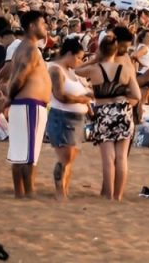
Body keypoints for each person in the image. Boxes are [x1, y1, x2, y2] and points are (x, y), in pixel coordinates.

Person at [81, 37, 141, 200]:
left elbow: (75, 70)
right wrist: (121, 95)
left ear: (100, 50)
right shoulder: (126, 70)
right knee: (121, 157)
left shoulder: (94, 69)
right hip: (123, 111)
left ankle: (108, 195)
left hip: (103, 112)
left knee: (108, 158)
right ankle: (118, 195)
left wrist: (93, 59)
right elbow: (137, 95)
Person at [7, 10, 53, 198]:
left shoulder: (21, 47)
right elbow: (20, 77)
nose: (46, 27)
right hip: (29, 104)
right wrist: (10, 96)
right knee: (29, 154)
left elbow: (13, 73)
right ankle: (29, 193)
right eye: (43, 24)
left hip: (23, 105)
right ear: (32, 26)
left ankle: (20, 193)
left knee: (19, 153)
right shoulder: (32, 49)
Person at [47, 38, 92, 199]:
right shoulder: (55, 69)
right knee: (64, 157)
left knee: (70, 158)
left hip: (76, 117)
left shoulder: (70, 71)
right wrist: (82, 100)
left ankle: (64, 189)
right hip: (62, 116)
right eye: (78, 57)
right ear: (69, 54)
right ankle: (60, 192)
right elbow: (60, 95)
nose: (80, 61)